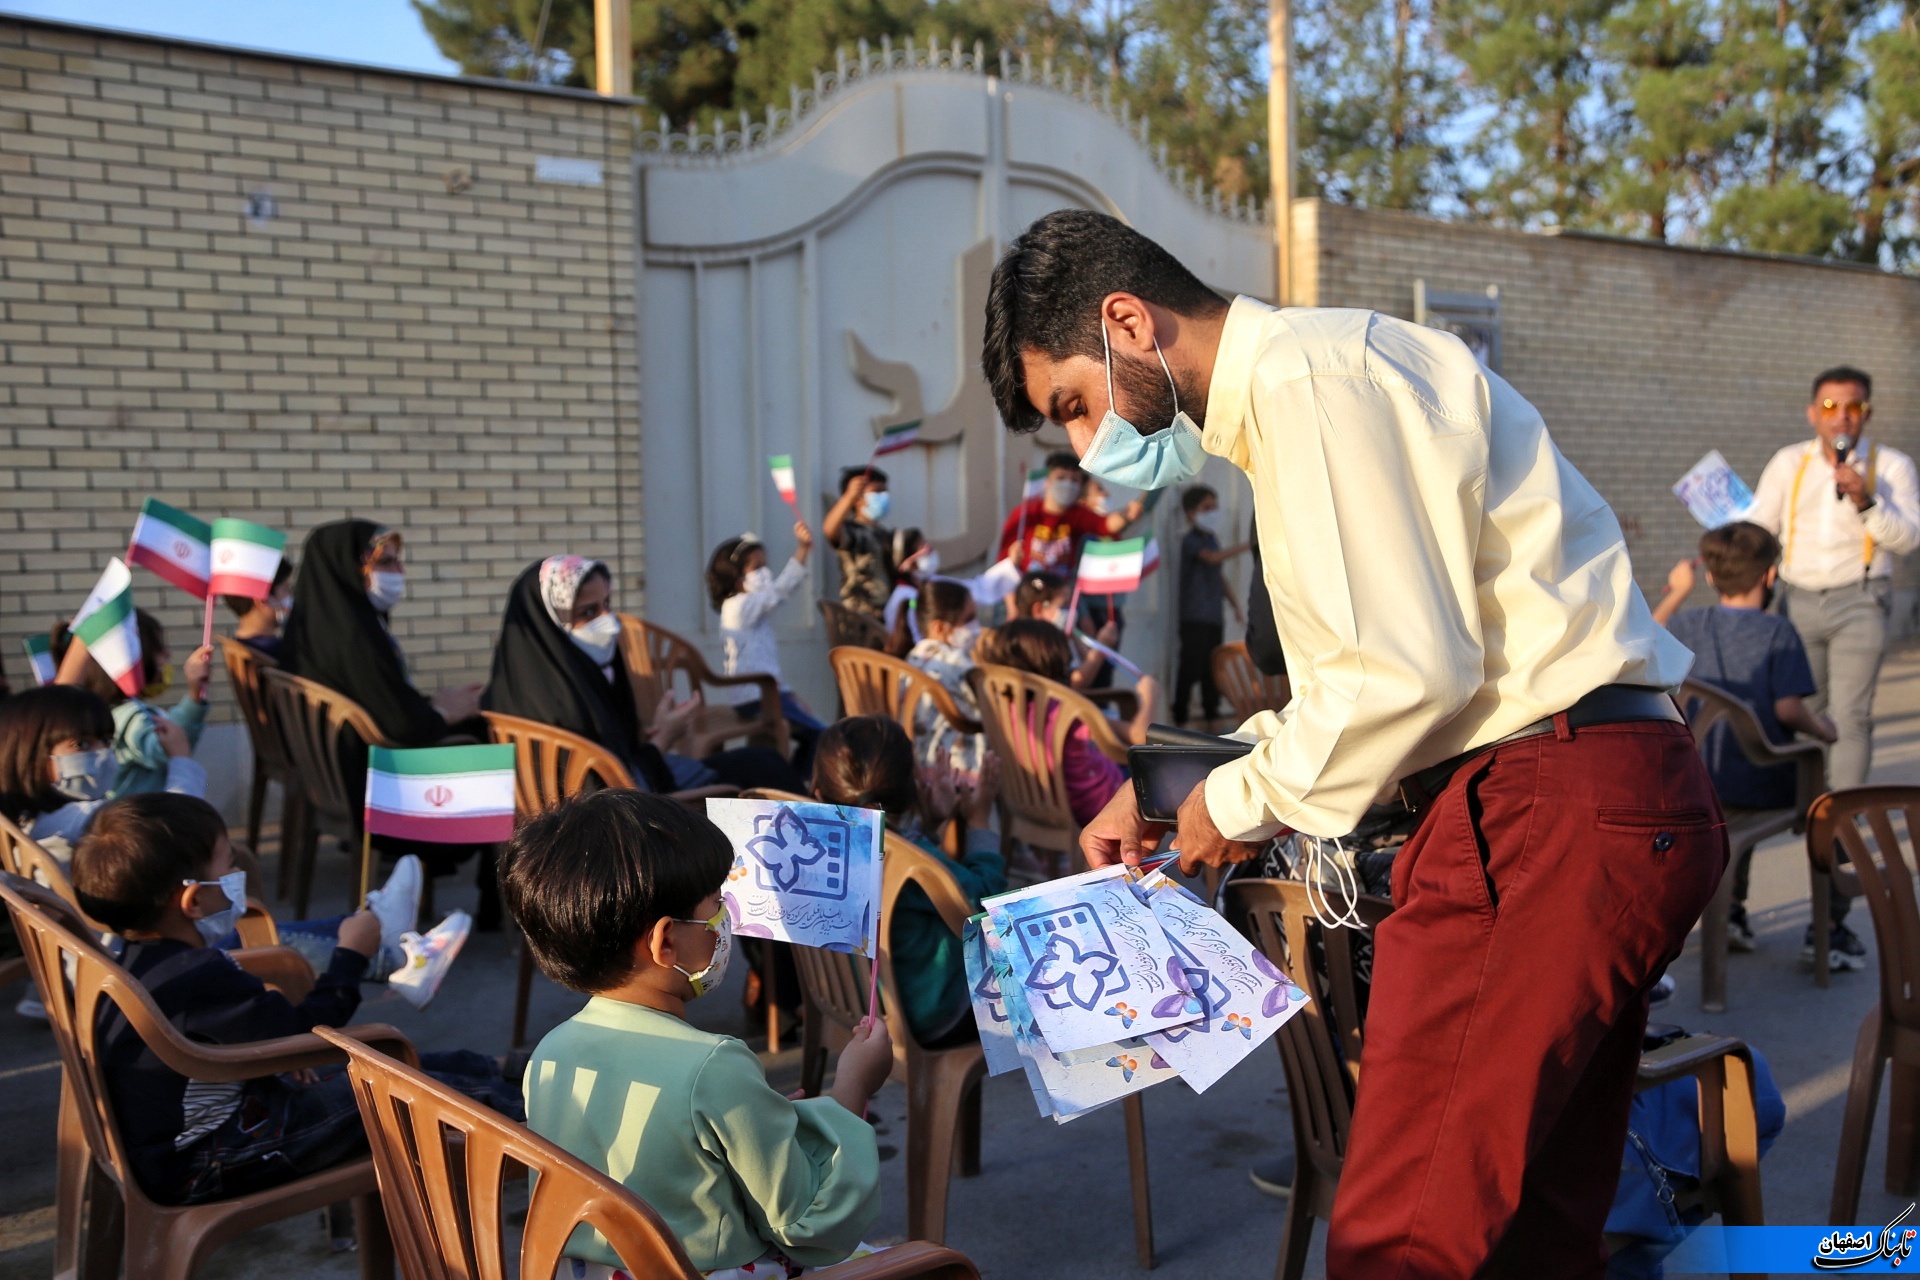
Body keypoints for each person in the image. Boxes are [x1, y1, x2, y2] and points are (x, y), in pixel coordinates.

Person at [982, 209, 1712, 1277]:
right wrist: (1172, 786)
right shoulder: (1318, 380)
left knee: (1397, 1243)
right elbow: (1361, 681)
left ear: (1128, 322)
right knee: (1532, 1233)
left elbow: (1404, 676)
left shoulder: (1308, 384)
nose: (1089, 449)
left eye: (1076, 406)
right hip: (1592, 790)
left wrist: (1229, 806)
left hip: (1537, 803)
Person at [502, 789, 892, 1279]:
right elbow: (807, 1224)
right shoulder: (714, 1066)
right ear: (665, 940)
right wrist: (852, 1088)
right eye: (715, 905)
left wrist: (759, 1115)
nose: (726, 919)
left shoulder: (550, 1053)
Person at [72, 793, 520, 1207]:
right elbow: (313, 1033)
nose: (237, 876)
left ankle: (513, 1070)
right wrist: (351, 955)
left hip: (198, 1141)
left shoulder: (133, 965)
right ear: (192, 901)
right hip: (213, 1158)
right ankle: (540, 1127)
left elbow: (271, 1039)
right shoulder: (198, 975)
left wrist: (283, 1054)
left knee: (391, 1062)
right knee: (407, 1088)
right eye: (228, 866)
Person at [1651, 523, 1841, 960]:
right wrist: (1824, 729)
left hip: (1700, 783)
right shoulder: (1779, 632)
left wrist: (1678, 591)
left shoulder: (1688, 622)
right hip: (1766, 783)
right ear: (1770, 575)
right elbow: (1788, 710)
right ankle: (1831, 928)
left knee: (1734, 816)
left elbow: (1646, 639)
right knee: (1835, 815)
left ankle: (1733, 909)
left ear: (1710, 577)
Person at [281, 519, 494, 903]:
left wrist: (433, 706)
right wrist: (442, 714)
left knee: (473, 724)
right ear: (349, 567)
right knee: (491, 744)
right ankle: (500, 900)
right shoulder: (352, 635)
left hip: (343, 776)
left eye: (397, 561)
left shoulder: (315, 621)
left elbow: (378, 700)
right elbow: (400, 725)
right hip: (379, 791)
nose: (399, 573)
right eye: (385, 563)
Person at [481, 555, 805, 796]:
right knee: (766, 770)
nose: (610, 621)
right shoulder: (563, 707)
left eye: (607, 603)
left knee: (763, 760)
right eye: (588, 612)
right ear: (550, 624)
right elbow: (614, 794)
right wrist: (665, 738)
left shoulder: (517, 689)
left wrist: (651, 736)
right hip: (624, 832)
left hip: (616, 798)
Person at [1745, 366, 1920, 794]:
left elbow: (1909, 539)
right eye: (1830, 406)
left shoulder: (1892, 466)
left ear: (1867, 413)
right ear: (1812, 414)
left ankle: (1842, 817)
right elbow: (1760, 526)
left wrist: (1865, 500)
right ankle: (1809, 808)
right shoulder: (1789, 462)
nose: (1841, 416)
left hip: (1860, 598)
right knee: (1804, 710)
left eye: (1853, 406)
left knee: (1850, 716)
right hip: (1798, 597)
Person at [811, 716, 1005, 1045]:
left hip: (845, 1003)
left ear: (818, 791)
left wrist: (928, 826)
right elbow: (986, 908)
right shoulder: (910, 857)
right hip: (929, 1015)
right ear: (911, 789)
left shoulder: (806, 843)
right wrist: (979, 822)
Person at [976, 619, 1156, 826]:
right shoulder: (1063, 709)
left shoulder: (1003, 705)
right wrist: (1150, 696)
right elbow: (1140, 736)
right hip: (1099, 803)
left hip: (1040, 801)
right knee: (1161, 774)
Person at [0, 684, 205, 860]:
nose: (103, 753)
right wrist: (181, 758)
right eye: (82, 744)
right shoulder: (84, 821)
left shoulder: (26, 820)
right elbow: (176, 827)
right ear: (30, 756)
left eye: (107, 741)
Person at [53, 609, 213, 800]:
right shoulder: (130, 716)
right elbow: (164, 748)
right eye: (159, 648)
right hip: (146, 815)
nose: (167, 655)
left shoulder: (111, 712)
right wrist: (194, 696)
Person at [708, 527, 826, 777]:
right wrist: (803, 549)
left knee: (806, 728)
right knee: (821, 733)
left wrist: (789, 694)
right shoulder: (741, 606)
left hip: (762, 693)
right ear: (735, 576)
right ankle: (798, 783)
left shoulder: (745, 607)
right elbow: (780, 591)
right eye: (757, 567)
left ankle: (787, 779)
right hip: (759, 697)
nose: (764, 572)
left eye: (765, 565)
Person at [1174, 485, 1250, 727]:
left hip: (1213, 616)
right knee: (1190, 665)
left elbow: (1219, 575)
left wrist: (1235, 604)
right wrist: (1248, 545)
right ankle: (1179, 716)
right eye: (1206, 508)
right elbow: (1212, 559)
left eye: (1214, 507)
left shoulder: (1212, 540)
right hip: (1194, 616)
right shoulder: (1191, 541)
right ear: (1191, 513)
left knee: (1212, 667)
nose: (1213, 513)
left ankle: (1211, 714)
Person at [890, 579, 985, 772]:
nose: (976, 627)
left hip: (915, 766)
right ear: (940, 628)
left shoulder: (911, 659)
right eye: (968, 619)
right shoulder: (956, 664)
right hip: (958, 770)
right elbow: (989, 709)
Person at [995, 451, 1143, 574]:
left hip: (1061, 593)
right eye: (1061, 478)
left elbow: (1105, 525)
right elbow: (1003, 563)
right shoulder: (1024, 515)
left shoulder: (1077, 515)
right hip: (1026, 592)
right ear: (1047, 482)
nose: (1068, 484)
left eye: (1074, 480)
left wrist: (1126, 514)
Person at [1012, 570, 1117, 691]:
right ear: (1038, 610)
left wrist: (1073, 633)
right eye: (1064, 606)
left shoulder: (1060, 635)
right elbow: (1075, 684)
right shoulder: (1040, 643)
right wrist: (1101, 647)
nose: (1070, 612)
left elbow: (1085, 657)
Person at [822, 465, 896, 620]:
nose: (883, 496)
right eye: (877, 491)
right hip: (859, 617)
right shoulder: (853, 531)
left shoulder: (885, 534)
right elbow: (830, 531)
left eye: (885, 491)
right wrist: (847, 498)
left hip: (887, 614)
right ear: (858, 499)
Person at [223, 557, 293, 661]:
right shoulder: (277, 653)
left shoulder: (236, 648)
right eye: (285, 589)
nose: (290, 597)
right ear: (262, 599)